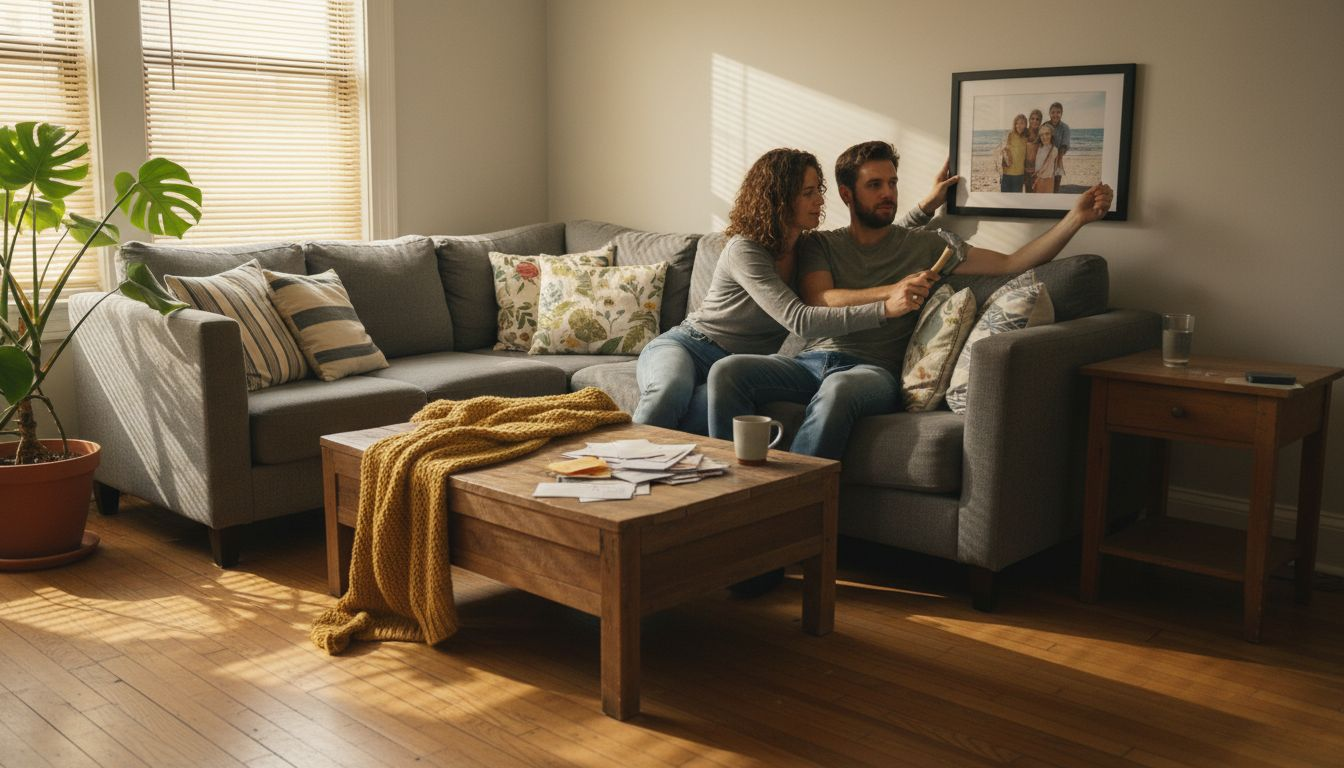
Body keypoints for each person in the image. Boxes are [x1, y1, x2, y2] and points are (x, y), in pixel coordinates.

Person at [707, 140, 1112, 460]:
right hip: (810, 361)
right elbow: (821, 298)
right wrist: (890, 296)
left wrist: (1075, 218)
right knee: (726, 372)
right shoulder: (820, 244)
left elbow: (1013, 261)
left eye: (893, 183)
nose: (889, 193)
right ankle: (728, 493)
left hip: (872, 372)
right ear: (847, 194)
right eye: (875, 185)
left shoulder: (927, 247)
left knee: (839, 391)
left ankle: (791, 508)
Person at [631, 147, 952, 434]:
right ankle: (618, 470)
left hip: (734, 366)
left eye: (819, 191)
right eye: (808, 193)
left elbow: (874, 239)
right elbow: (800, 321)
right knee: (670, 392)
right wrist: (884, 308)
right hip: (690, 346)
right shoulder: (746, 250)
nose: (820, 201)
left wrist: (926, 207)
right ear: (780, 199)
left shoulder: (808, 247)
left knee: (700, 414)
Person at [998, 114, 1029, 192]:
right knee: (1005, 199)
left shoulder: (1027, 137)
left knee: (1016, 200)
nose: (1018, 126)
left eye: (1022, 123)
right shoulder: (1010, 135)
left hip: (1019, 174)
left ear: (1026, 124)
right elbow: (1002, 150)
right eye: (1016, 123)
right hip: (1006, 173)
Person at [1047, 101, 1071, 192]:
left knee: (1055, 189)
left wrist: (1057, 161)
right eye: (1053, 112)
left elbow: (1064, 146)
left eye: (1058, 112)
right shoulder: (1045, 125)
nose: (1055, 115)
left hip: (1058, 160)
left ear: (1061, 113)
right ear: (1049, 113)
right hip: (1045, 161)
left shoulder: (1065, 127)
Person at [1032, 124, 1061, 194]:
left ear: (1052, 135)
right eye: (1041, 135)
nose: (1044, 137)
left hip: (1047, 179)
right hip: (1038, 179)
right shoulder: (1039, 148)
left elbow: (1048, 167)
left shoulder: (1054, 150)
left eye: (1047, 134)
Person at [1023, 109, 1043, 193]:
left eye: (1037, 119)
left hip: (1037, 170)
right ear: (1029, 120)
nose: (1035, 121)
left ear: (1040, 121)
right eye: (1033, 118)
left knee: (1037, 193)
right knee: (1028, 193)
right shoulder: (1024, 132)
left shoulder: (1041, 134)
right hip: (1024, 169)